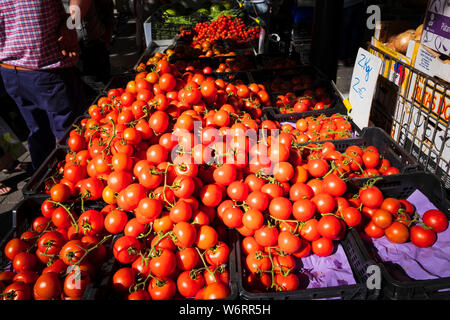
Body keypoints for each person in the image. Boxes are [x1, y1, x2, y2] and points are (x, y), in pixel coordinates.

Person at [0, 0, 90, 172]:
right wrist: (71, 25)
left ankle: (45, 180)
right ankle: (79, 179)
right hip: (47, 69)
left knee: (38, 132)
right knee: (73, 135)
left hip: (11, 71)